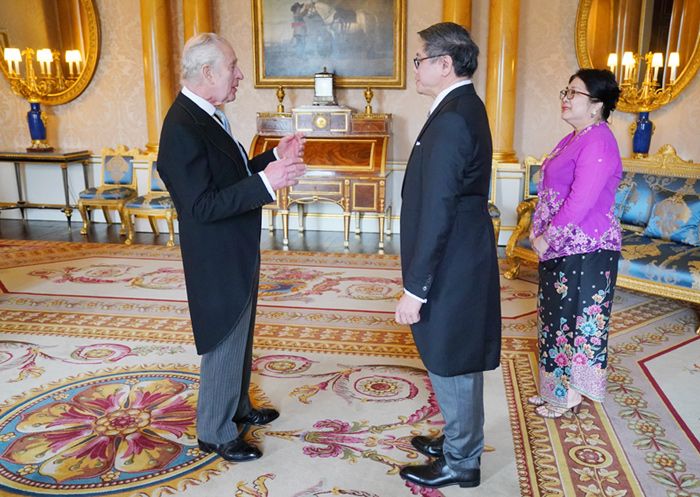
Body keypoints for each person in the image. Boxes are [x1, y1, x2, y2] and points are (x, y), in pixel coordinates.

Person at [156, 33, 306, 462]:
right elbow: (200, 206)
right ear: (208, 73)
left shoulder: (207, 115)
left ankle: (237, 408)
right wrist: (267, 183)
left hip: (234, 245)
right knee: (224, 335)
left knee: (241, 331)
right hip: (215, 254)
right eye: (234, 66)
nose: (240, 75)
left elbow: (230, 175)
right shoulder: (182, 126)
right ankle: (215, 432)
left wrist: (271, 159)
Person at [395, 22, 501, 489]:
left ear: (444, 64)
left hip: (451, 262)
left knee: (451, 357)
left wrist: (415, 289)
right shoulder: (459, 107)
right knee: (452, 354)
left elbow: (439, 208)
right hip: (457, 254)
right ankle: (459, 440)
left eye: (420, 60)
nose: (415, 68)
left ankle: (462, 461)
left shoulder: (456, 116)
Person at [528, 69, 622, 418]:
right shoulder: (574, 137)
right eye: (565, 91)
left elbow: (581, 202)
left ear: (596, 105)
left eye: (575, 93)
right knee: (555, 320)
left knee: (574, 323)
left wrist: (546, 236)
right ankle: (554, 391)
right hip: (562, 247)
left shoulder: (598, 141)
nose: (566, 98)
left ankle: (569, 396)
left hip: (587, 249)